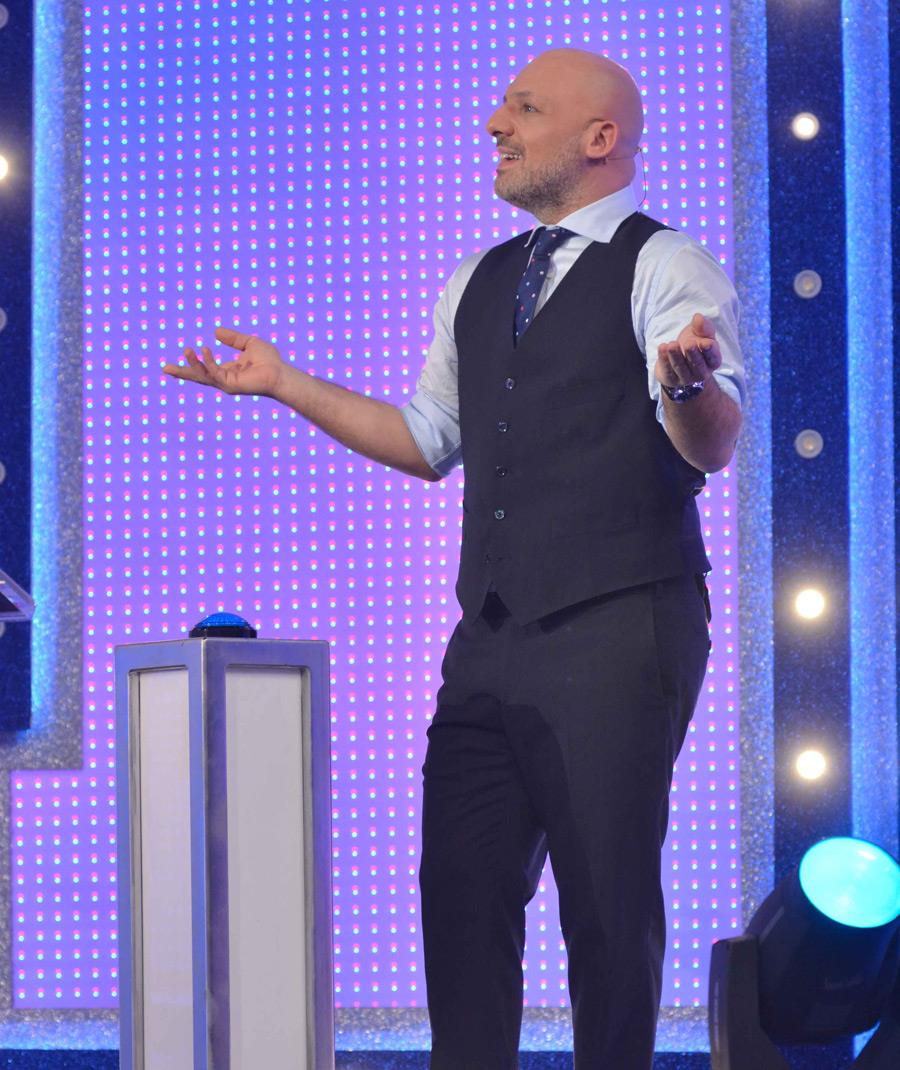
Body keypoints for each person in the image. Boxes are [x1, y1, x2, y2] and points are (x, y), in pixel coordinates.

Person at [165, 48, 744, 1070]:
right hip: (492, 635)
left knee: (607, 907)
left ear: (599, 137)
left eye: (524, 107)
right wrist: (286, 384)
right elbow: (429, 438)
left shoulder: (666, 264)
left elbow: (711, 443)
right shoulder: (480, 279)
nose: (495, 124)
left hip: (622, 621)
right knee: (463, 892)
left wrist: (690, 385)